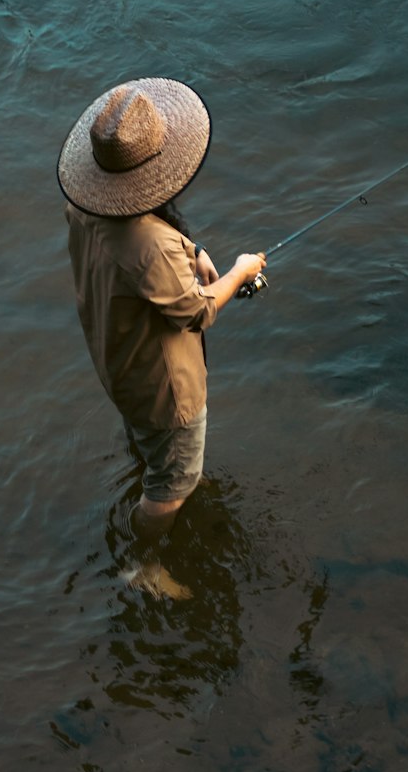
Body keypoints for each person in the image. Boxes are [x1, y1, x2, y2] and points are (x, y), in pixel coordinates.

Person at [57, 77, 265, 541]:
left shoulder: (86, 209)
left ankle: (152, 466)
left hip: (118, 361)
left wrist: (193, 250)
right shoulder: (152, 245)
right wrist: (240, 270)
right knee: (174, 486)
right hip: (165, 392)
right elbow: (196, 312)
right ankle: (144, 562)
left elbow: (154, 243)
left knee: (150, 446)